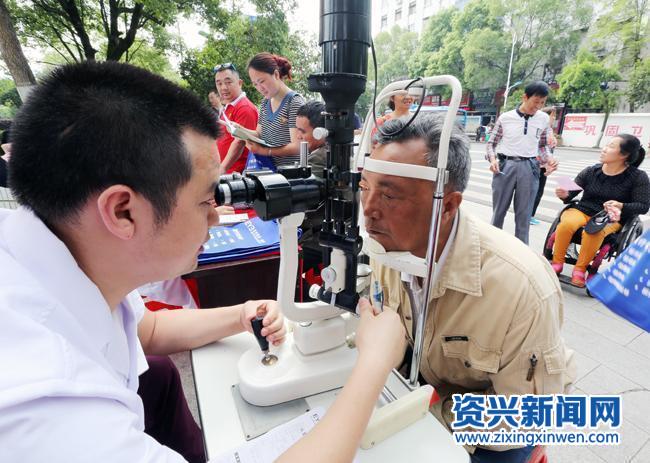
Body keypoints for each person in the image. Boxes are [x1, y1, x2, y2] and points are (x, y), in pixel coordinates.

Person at [0, 61, 406, 463]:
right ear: (123, 211)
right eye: (205, 201)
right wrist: (373, 365)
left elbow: (148, 329)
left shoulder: (63, 258)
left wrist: (240, 314)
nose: (215, 217)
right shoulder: (44, 403)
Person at [363, 114, 575, 463]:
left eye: (389, 195)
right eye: (365, 188)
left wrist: (426, 412)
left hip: (494, 433)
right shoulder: (387, 248)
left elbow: (521, 417)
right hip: (423, 393)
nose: (369, 210)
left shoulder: (520, 287)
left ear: (447, 205)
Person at [551, 133, 650, 287]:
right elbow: (571, 193)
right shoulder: (591, 171)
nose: (604, 149)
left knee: (593, 231)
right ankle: (557, 262)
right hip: (583, 209)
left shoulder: (638, 177)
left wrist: (621, 205)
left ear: (624, 155)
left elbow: (643, 206)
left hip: (610, 216)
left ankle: (580, 269)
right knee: (566, 224)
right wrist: (564, 194)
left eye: (610, 146)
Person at [486, 81, 559, 244]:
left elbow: (542, 146)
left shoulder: (543, 119)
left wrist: (549, 159)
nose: (538, 107)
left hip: (530, 167)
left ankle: (522, 250)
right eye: (536, 102)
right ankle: (493, 246)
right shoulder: (506, 118)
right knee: (498, 212)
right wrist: (493, 159)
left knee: (524, 216)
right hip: (505, 166)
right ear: (525, 97)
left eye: (542, 103)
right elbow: (491, 144)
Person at [244, 52, 305, 170]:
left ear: (276, 74)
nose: (259, 88)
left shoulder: (294, 102)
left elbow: (298, 146)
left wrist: (266, 151)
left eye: (262, 81)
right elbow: (259, 134)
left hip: (290, 174)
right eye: (255, 84)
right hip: (269, 172)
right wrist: (239, 130)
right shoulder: (265, 103)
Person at [213, 63, 258, 175]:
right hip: (225, 173)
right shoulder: (229, 106)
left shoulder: (244, 108)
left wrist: (222, 169)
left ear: (240, 83)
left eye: (228, 82)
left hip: (236, 176)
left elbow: (239, 142)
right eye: (219, 83)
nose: (223, 88)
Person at [530, 106, 559, 225]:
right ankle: (528, 215)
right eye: (552, 115)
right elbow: (538, 148)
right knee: (534, 192)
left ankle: (530, 215)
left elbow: (548, 149)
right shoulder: (540, 129)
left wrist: (550, 163)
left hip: (544, 165)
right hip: (537, 164)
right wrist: (545, 162)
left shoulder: (549, 130)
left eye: (555, 116)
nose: (554, 118)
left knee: (539, 192)